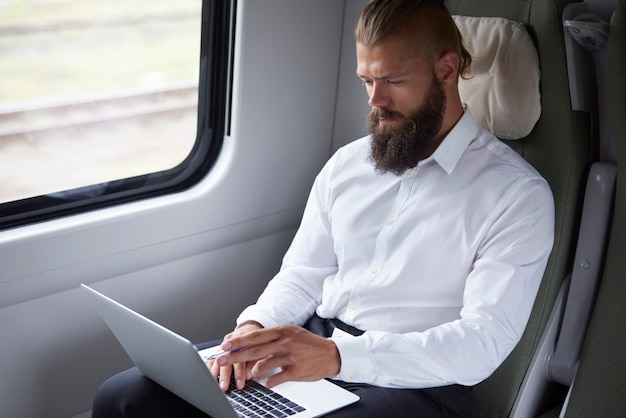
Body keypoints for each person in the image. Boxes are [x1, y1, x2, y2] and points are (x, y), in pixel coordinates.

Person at [92, 0, 554, 416]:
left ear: (447, 69)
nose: (375, 101)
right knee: (125, 397)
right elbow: (303, 274)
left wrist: (335, 357)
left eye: (393, 81)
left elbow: (481, 343)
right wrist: (256, 327)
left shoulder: (516, 196)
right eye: (367, 80)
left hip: (415, 387)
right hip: (311, 344)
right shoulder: (348, 165)